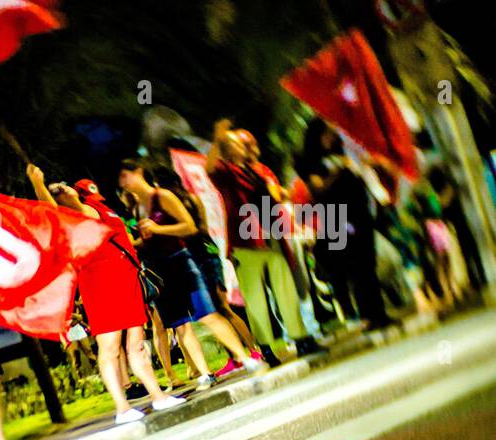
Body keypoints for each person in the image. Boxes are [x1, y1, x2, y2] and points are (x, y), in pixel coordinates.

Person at [27, 165, 185, 424]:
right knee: (109, 347)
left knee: (136, 343)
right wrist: (39, 185)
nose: (67, 187)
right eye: (62, 188)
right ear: (61, 196)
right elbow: (51, 209)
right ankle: (122, 408)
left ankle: (158, 396)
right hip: (100, 283)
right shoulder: (73, 213)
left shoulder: (97, 206)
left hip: (126, 278)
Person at [117, 159, 265, 387]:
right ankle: (205, 372)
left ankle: (244, 357)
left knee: (206, 312)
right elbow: (150, 241)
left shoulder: (162, 196)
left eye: (125, 175)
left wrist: (158, 229)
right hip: (160, 268)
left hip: (181, 261)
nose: (123, 182)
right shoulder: (137, 208)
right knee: (180, 323)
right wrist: (135, 243)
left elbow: (189, 226)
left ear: (138, 171)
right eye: (120, 179)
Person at [207, 120, 319, 363]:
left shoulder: (254, 170)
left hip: (269, 236)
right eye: (236, 144)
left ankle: (302, 340)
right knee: (257, 298)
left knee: (286, 290)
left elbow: (272, 198)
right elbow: (210, 169)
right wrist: (217, 138)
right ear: (228, 150)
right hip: (245, 242)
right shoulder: (226, 172)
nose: (243, 148)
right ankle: (267, 349)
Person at [296, 121, 393, 332]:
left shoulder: (345, 152)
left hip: (360, 212)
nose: (331, 138)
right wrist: (340, 170)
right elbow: (317, 189)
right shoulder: (311, 162)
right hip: (338, 217)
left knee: (369, 262)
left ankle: (379, 312)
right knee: (356, 266)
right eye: (327, 134)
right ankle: (367, 315)